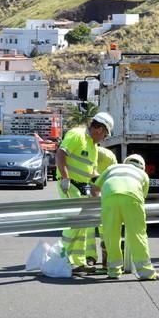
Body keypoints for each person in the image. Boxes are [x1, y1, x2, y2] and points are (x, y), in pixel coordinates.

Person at [56, 111, 114, 273]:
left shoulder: (93, 147)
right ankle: (62, 257)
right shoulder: (77, 135)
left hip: (82, 187)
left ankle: (78, 262)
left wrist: (102, 187)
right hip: (69, 185)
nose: (104, 138)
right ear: (99, 129)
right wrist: (65, 178)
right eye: (105, 134)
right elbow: (60, 154)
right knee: (75, 223)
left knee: (82, 225)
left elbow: (92, 172)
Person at [94, 154, 159, 280]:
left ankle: (114, 271)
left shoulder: (112, 168)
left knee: (111, 235)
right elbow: (143, 195)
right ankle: (146, 272)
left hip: (109, 199)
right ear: (142, 167)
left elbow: (95, 188)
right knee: (137, 234)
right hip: (132, 199)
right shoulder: (143, 174)